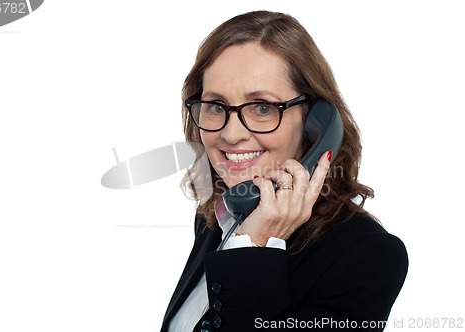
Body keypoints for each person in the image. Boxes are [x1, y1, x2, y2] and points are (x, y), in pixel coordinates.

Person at [161, 10, 408, 332]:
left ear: (314, 123)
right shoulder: (218, 218)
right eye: (216, 106)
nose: (232, 134)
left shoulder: (367, 256)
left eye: (263, 107)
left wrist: (255, 247)